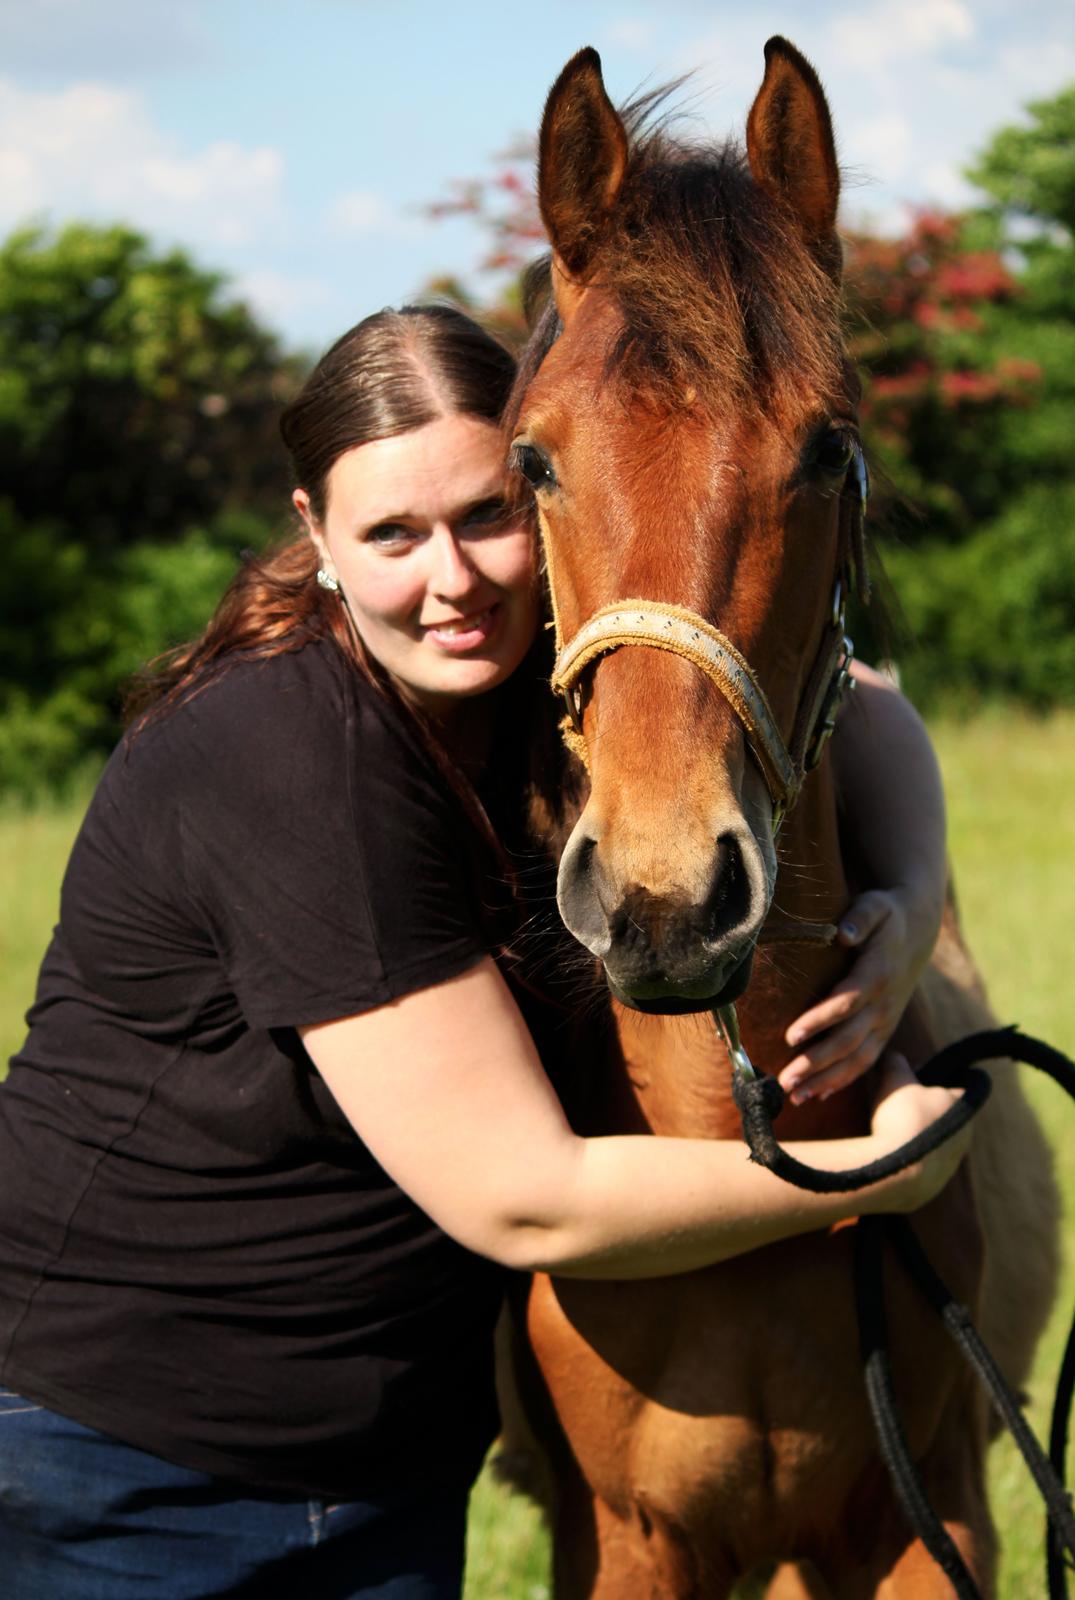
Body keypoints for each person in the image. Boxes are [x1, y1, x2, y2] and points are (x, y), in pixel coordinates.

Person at [0, 304, 963, 1600]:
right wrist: (872, 1172)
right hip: (131, 1463)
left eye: (487, 515)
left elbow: (866, 697)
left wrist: (903, 909)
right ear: (316, 535)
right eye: (393, 534)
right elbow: (523, 1194)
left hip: (380, 1459)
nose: (451, 577)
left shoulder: (522, 668)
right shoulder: (292, 757)